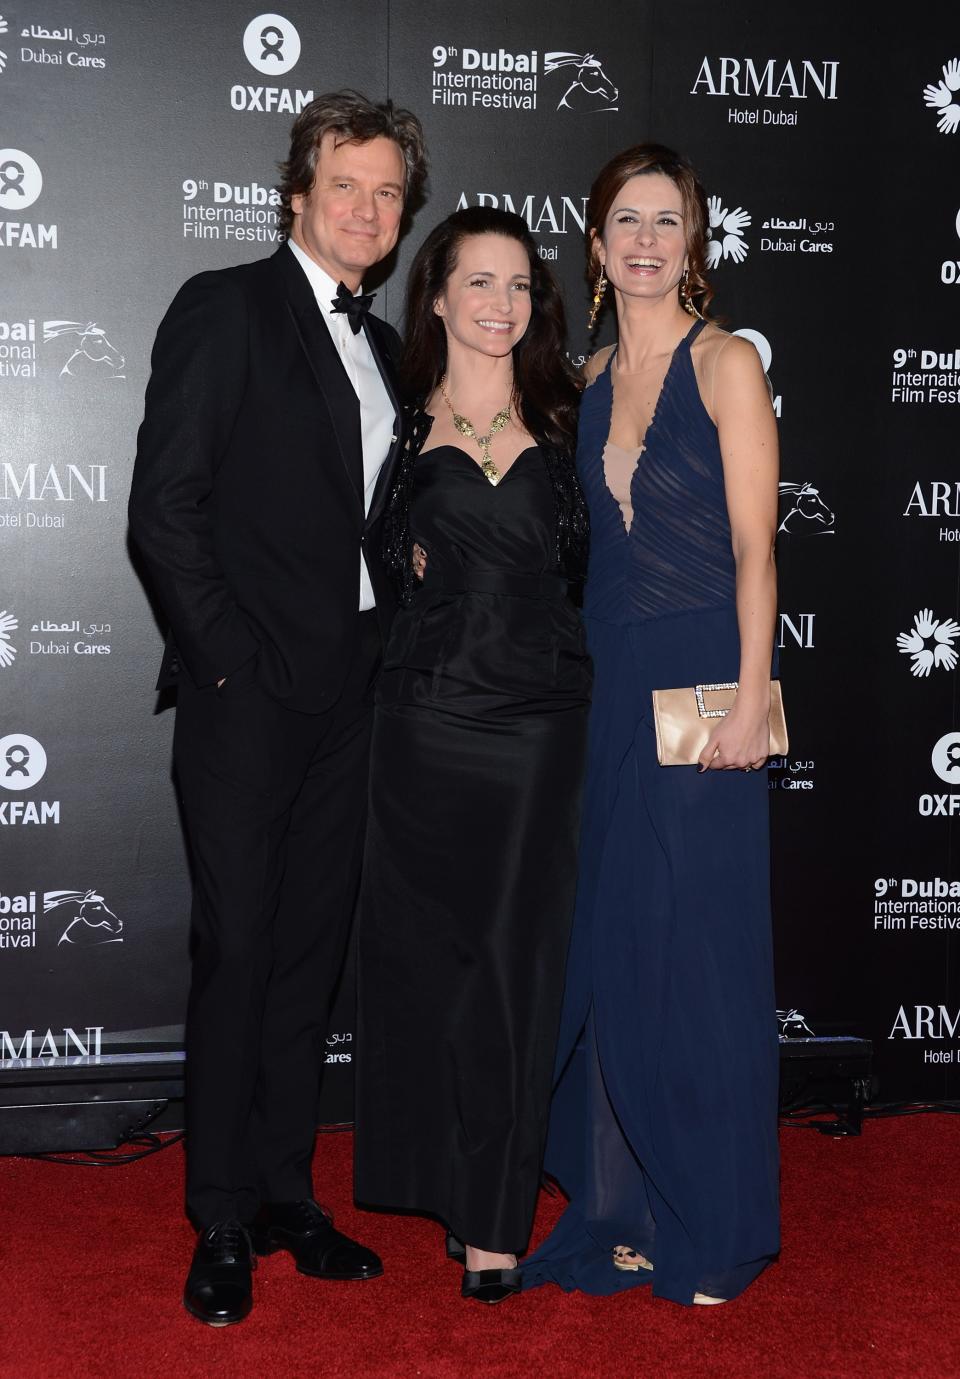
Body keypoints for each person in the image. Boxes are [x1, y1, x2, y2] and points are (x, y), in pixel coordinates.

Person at [128, 91, 427, 1326]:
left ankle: (291, 1190)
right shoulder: (225, 308)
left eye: (389, 193)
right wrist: (233, 664)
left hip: (355, 691)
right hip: (250, 697)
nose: (367, 209)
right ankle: (221, 1215)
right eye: (345, 184)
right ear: (296, 191)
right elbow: (165, 512)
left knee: (311, 956)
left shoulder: (389, 346)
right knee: (241, 951)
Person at [521, 144, 781, 1306]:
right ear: (594, 239)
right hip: (608, 682)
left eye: (665, 220)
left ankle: (714, 1220)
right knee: (617, 946)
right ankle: (622, 1203)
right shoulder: (580, 377)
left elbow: (756, 554)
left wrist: (749, 700)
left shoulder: (727, 364)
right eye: (624, 219)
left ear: (695, 241)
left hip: (701, 677)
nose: (643, 239)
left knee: (705, 954)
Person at [354, 207, 591, 1305]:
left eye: (518, 285)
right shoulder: (396, 432)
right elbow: (384, 576)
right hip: (425, 723)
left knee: (513, 964)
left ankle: (496, 1218)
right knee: (433, 963)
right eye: (477, 282)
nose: (500, 304)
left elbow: (588, 567)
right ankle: (448, 1187)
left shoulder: (568, 417)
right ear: (437, 297)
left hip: (537, 727)